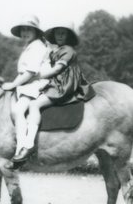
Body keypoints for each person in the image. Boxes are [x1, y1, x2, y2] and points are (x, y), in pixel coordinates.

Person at [11, 22, 95, 164]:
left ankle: (29, 144)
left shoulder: (68, 50)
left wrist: (39, 75)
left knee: (34, 105)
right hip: (56, 82)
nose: (60, 36)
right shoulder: (56, 49)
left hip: (63, 85)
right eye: (57, 33)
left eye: (63, 33)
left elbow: (56, 70)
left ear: (68, 36)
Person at [0, 15, 50, 167]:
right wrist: (11, 83)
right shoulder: (29, 47)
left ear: (36, 32)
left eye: (29, 29)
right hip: (28, 84)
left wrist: (13, 85)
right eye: (23, 29)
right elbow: (23, 73)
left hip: (36, 83)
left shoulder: (38, 47)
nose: (25, 32)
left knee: (17, 110)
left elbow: (30, 72)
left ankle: (24, 148)